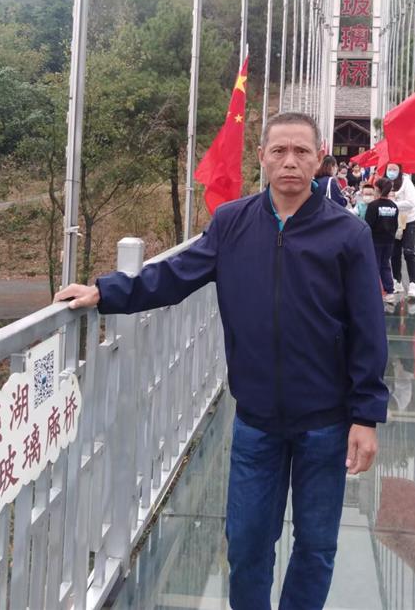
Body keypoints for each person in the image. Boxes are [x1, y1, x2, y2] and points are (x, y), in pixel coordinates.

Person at [54, 111, 388, 610]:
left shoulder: (347, 234)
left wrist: (366, 416)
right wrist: (106, 292)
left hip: (326, 422)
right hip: (257, 420)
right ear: (262, 157)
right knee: (248, 544)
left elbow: (368, 330)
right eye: (279, 151)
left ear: (320, 159)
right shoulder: (233, 223)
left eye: (301, 151)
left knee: (316, 547)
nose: (290, 162)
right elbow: (174, 276)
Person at [364, 176, 399, 310]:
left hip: (375, 241)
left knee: (373, 266)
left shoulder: (373, 206)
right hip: (389, 241)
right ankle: (389, 292)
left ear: (377, 189)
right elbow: (395, 225)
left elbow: (368, 225)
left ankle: (372, 292)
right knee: (385, 265)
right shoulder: (394, 206)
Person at [385, 162, 415, 298]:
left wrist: (393, 204)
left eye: (394, 169)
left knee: (409, 252)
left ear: (399, 170)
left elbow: (410, 203)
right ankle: (397, 280)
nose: (392, 172)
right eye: (389, 169)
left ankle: (413, 284)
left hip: (408, 221)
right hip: (393, 221)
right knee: (395, 252)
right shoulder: (385, 183)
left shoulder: (406, 183)